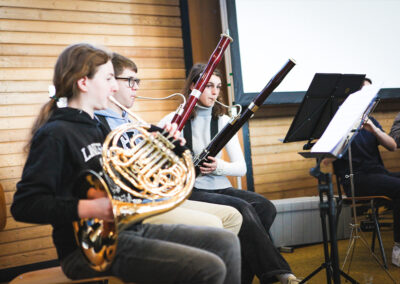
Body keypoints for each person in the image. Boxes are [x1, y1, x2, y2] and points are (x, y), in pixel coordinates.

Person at [11, 43, 241, 284]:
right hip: (88, 250)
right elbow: (25, 205)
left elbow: (129, 181)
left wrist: (169, 146)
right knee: (209, 267)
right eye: (109, 78)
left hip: (129, 231)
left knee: (226, 242)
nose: (114, 86)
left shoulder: (97, 127)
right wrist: (88, 208)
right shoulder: (56, 133)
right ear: (83, 83)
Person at [159, 63, 301, 284]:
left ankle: (241, 276)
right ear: (194, 87)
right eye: (209, 86)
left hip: (220, 186)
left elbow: (241, 168)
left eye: (218, 87)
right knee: (243, 208)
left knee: (265, 207)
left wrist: (219, 167)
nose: (215, 92)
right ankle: (280, 273)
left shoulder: (224, 121)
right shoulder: (172, 120)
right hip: (191, 189)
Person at [94, 52, 242, 234]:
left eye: (137, 82)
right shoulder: (98, 124)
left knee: (235, 216)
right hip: (134, 206)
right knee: (216, 224)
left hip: (155, 199)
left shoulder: (132, 123)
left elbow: (151, 170)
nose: (136, 88)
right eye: (130, 81)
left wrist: (168, 151)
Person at [332, 78, 400, 267]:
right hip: (351, 177)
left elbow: (393, 146)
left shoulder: (370, 119)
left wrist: (375, 131)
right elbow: (328, 158)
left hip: (378, 173)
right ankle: (399, 248)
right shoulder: (338, 120)